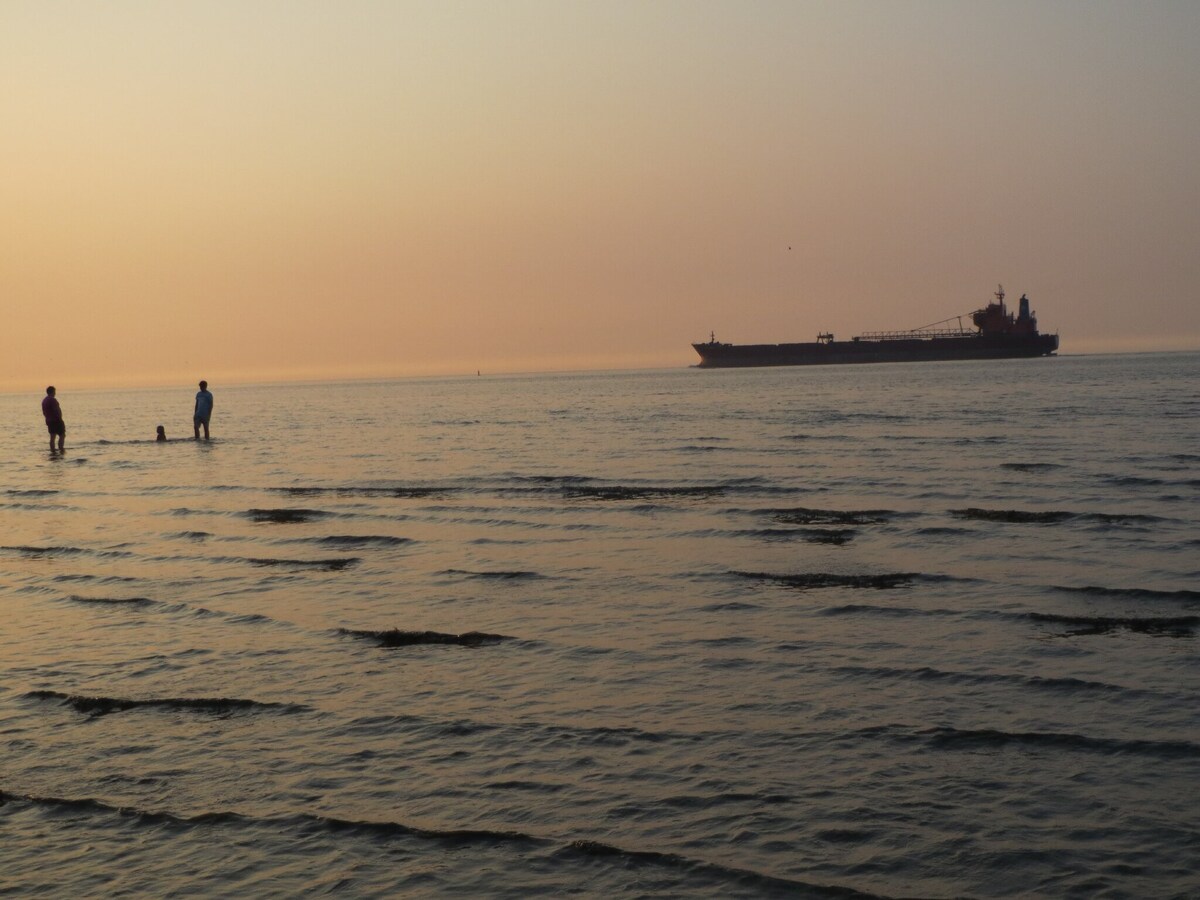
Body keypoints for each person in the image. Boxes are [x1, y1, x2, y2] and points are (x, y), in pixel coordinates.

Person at [42, 386, 65, 451]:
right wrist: (60, 418)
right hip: (56, 420)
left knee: (52, 437)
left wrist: (47, 419)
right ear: (52, 392)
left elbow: (44, 412)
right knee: (62, 435)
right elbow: (56, 410)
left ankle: (53, 450)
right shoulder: (52, 400)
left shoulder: (44, 400)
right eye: (54, 392)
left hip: (49, 421)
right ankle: (61, 449)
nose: (55, 393)